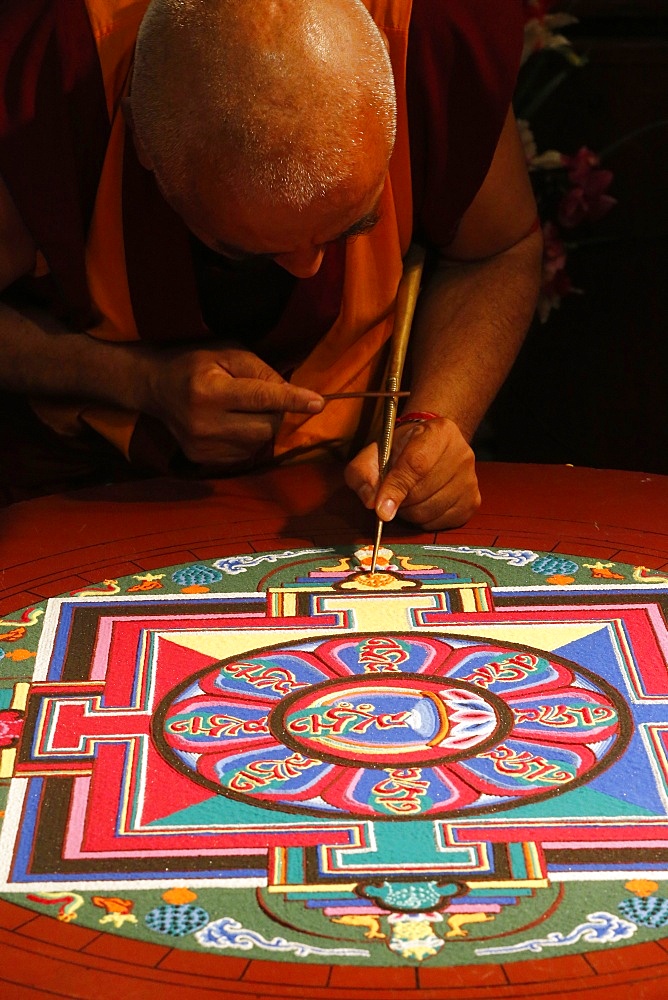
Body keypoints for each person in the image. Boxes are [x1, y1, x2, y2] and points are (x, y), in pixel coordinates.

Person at [0, 0, 542, 526]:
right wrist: (138, 381)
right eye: (243, 249)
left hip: (340, 495)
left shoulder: (424, 25)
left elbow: (497, 249)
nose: (309, 271)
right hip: (85, 493)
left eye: (355, 226)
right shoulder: (51, 68)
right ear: (141, 136)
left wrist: (432, 421)